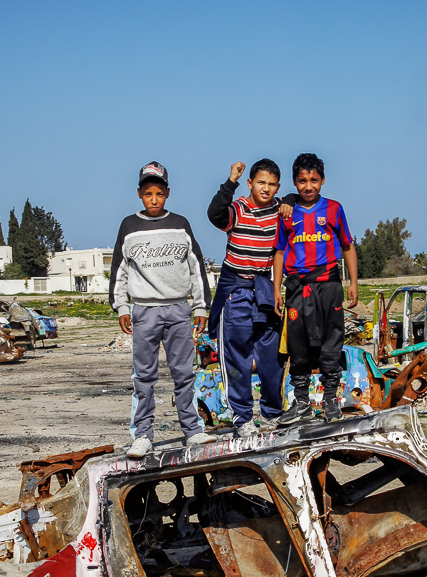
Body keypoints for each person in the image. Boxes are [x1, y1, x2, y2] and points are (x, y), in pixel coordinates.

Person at [109, 161, 217, 458]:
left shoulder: (180, 224)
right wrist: (121, 306)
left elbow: (196, 268)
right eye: (148, 194)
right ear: (139, 194)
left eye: (159, 193)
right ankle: (142, 435)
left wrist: (200, 306)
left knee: (184, 373)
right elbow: (119, 271)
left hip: (179, 310)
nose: (153, 199)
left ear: (168, 193)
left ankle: (193, 430)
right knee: (143, 377)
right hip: (144, 311)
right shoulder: (129, 227)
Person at [207, 159, 291, 437]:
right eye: (261, 182)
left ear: (278, 187)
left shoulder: (279, 210)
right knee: (237, 358)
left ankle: (271, 414)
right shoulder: (238, 209)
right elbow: (215, 214)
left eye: (272, 184)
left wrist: (289, 200)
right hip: (236, 289)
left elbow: (295, 203)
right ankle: (242, 418)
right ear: (250, 183)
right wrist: (230, 182)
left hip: (265, 289)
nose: (266, 188)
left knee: (272, 357)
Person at [273, 153, 358, 424]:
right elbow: (279, 252)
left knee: (331, 340)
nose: (308, 186)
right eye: (302, 181)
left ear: (323, 180)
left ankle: (331, 400)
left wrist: (354, 282)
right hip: (297, 288)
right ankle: (301, 402)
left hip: (329, 286)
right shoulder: (286, 212)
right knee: (297, 344)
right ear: (294, 182)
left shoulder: (334, 209)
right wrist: (277, 290)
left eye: (314, 180)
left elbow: (347, 246)